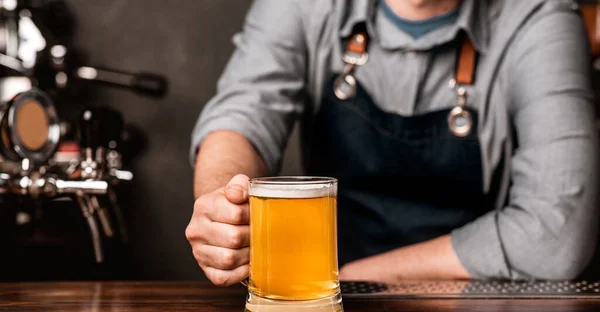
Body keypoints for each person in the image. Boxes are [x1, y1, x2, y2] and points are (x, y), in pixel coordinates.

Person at [185, 0, 599, 286]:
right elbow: (242, 115)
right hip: (337, 310)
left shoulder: (539, 16)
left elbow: (555, 234)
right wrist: (224, 200)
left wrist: (355, 278)